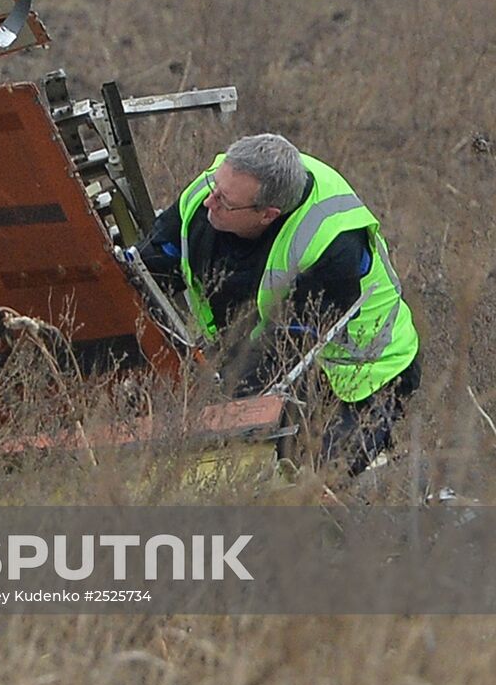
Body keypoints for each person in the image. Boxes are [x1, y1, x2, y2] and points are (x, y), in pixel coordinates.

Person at [135, 133, 420, 475]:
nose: (209, 202)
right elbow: (149, 269)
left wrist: (205, 407)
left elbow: (281, 354)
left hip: (365, 374)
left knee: (314, 482)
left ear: (267, 214)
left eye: (225, 201)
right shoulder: (213, 192)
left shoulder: (331, 243)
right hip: (266, 351)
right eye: (216, 186)